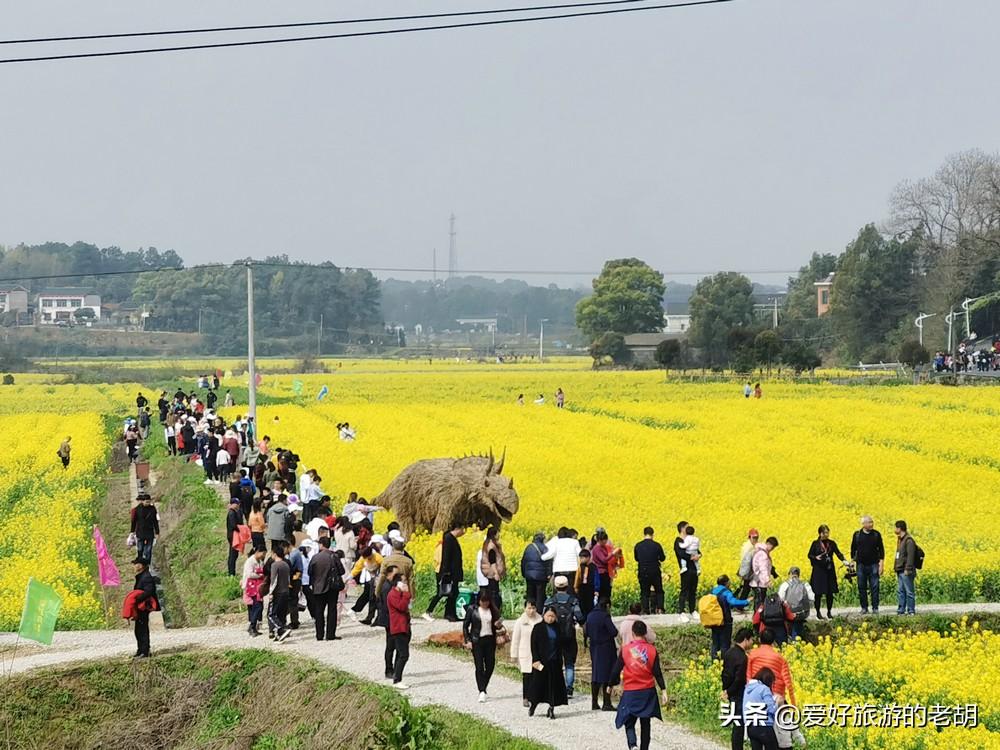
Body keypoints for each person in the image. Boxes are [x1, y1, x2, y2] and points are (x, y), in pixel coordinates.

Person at [612, 621, 667, 750]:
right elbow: (657, 673)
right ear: (645, 633)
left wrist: (610, 684)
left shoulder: (625, 650)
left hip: (631, 690)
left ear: (632, 633)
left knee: (628, 720)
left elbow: (616, 670)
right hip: (648, 690)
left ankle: (632, 744)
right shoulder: (652, 650)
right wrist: (664, 690)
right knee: (645, 722)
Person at [543, 575, 584, 699]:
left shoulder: (549, 601)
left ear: (555, 587)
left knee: (555, 662)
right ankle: (569, 689)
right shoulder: (573, 601)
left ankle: (556, 687)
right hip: (569, 636)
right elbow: (580, 617)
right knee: (570, 663)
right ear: (568, 586)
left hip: (553, 636)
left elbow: (543, 616)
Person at [463, 591, 505, 703]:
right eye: (483, 601)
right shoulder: (472, 609)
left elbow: (499, 622)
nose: (485, 604)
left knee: (490, 665)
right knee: (479, 666)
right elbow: (465, 625)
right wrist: (468, 640)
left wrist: (498, 624)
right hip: (477, 641)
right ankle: (482, 690)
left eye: (487, 601)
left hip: (490, 640)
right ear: (479, 600)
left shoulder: (493, 610)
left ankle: (484, 684)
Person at [527, 606, 569, 719]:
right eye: (548, 616)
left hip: (554, 661)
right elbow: (533, 645)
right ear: (544, 616)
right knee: (538, 684)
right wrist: (535, 659)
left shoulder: (558, 628)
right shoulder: (538, 628)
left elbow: (562, 644)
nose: (550, 618)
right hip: (541, 662)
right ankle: (533, 704)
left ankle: (551, 708)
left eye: (552, 616)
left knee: (553, 686)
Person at [721, 627, 754, 750]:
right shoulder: (742, 657)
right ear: (745, 640)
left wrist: (725, 690)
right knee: (739, 724)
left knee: (737, 722)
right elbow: (739, 679)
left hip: (730, 691)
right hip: (738, 693)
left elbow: (725, 673)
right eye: (751, 640)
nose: (752, 643)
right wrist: (730, 692)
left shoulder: (729, 652)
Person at [746, 629, 795, 706]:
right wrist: (793, 704)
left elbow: (748, 677)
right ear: (773, 641)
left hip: (756, 695)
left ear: (759, 640)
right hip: (776, 695)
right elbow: (788, 683)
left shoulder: (752, 655)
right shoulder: (780, 659)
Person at [585, 597, 618, 711]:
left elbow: (586, 631)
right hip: (606, 648)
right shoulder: (605, 616)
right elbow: (613, 632)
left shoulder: (590, 615)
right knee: (608, 675)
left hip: (594, 647)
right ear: (607, 606)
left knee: (596, 674)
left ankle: (594, 702)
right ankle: (606, 702)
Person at [808, 525, 846, 619]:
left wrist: (844, 561)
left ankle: (829, 612)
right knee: (818, 593)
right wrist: (815, 558)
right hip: (819, 571)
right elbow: (809, 555)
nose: (827, 534)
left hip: (829, 570)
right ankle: (818, 612)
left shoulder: (832, 543)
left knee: (830, 593)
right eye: (825, 532)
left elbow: (838, 553)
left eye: (828, 532)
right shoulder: (815, 544)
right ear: (820, 533)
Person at [707, 575, 749, 659]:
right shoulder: (726, 592)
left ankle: (714, 661)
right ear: (726, 583)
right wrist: (746, 601)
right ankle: (724, 661)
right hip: (724, 621)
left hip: (714, 621)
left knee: (715, 643)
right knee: (724, 644)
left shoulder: (712, 591)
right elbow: (733, 602)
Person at [510, 600, 543, 706]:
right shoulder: (520, 622)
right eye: (529, 608)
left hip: (538, 653)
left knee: (536, 675)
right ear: (525, 608)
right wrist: (513, 655)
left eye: (533, 608)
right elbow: (515, 639)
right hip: (525, 652)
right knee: (527, 676)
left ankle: (535, 696)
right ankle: (526, 697)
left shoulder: (540, 620)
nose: (531, 611)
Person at [851, 515, 885, 615]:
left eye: (872, 522)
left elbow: (881, 550)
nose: (871, 524)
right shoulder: (857, 535)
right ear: (863, 524)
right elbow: (853, 549)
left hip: (874, 564)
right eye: (869, 522)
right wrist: (852, 561)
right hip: (861, 565)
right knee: (861, 586)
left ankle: (875, 608)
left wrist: (881, 564)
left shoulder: (876, 535)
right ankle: (864, 607)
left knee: (875, 587)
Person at [743, 667, 779, 750]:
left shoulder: (747, 689)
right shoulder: (764, 689)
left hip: (751, 727)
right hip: (764, 727)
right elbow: (771, 709)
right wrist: (777, 702)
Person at [387, 574, 412, 688]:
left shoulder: (400, 594)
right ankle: (397, 680)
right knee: (404, 655)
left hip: (404, 627)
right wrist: (406, 593)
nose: (406, 584)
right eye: (403, 582)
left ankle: (397, 677)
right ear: (397, 583)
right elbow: (401, 606)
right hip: (398, 628)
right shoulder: (392, 595)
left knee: (400, 654)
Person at [129, 556, 157, 658]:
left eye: (136, 564)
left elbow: (149, 591)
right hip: (140, 607)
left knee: (142, 629)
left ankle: (144, 651)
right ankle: (140, 650)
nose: (134, 566)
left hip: (143, 607)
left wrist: (137, 599)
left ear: (141, 566)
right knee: (138, 630)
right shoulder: (141, 576)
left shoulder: (146, 577)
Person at [634, 527, 666, 615]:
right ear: (653, 534)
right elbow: (663, 558)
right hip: (655, 571)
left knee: (644, 592)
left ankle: (645, 610)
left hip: (643, 571)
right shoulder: (657, 545)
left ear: (644, 534)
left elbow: (636, 558)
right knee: (659, 591)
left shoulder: (638, 545)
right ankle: (660, 609)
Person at [542, 528, 582, 595]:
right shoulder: (575, 542)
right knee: (571, 592)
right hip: (572, 570)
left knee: (558, 592)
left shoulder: (557, 542)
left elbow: (549, 555)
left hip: (559, 570)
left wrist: (541, 557)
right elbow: (580, 554)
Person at [437, 526, 465, 622]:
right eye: (463, 529)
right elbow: (446, 556)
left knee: (454, 593)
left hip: (454, 572)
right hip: (451, 572)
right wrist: (446, 572)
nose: (463, 532)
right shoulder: (449, 538)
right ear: (457, 529)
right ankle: (449, 614)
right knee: (452, 593)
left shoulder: (452, 538)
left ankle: (451, 613)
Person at [777, 567, 813, 641]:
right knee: (798, 624)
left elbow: (780, 599)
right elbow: (812, 598)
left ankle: (789, 639)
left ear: (789, 574)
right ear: (798, 574)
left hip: (788, 613)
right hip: (802, 613)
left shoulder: (785, 584)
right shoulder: (805, 584)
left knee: (789, 623)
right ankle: (797, 640)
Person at [350, 545, 384, 625]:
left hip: (379, 579)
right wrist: (349, 577)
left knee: (378, 599)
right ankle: (370, 617)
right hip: (371, 580)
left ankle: (378, 618)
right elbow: (357, 568)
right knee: (371, 598)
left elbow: (384, 567)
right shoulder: (363, 558)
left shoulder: (378, 557)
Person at [675, 521, 700, 621]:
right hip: (685, 570)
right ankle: (681, 612)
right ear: (682, 529)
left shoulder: (692, 540)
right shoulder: (678, 541)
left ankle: (692, 610)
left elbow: (698, 551)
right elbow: (681, 553)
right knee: (684, 591)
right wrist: (692, 557)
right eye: (687, 527)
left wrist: (698, 556)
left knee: (693, 591)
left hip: (694, 569)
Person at [521, 533, 550, 613]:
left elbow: (523, 561)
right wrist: (549, 574)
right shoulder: (544, 548)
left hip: (529, 576)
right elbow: (548, 562)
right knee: (540, 596)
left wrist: (524, 573)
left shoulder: (528, 547)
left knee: (530, 595)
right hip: (541, 576)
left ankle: (529, 611)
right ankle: (539, 613)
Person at [268, 545, 292, 643]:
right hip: (286, 591)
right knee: (281, 614)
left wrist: (271, 593)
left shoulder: (275, 565)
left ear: (275, 554)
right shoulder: (286, 564)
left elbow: (274, 581)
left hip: (278, 592)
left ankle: (281, 629)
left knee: (271, 614)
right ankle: (279, 635)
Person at [893, 520, 918, 615]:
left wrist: (908, 569)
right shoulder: (900, 539)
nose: (894, 530)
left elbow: (910, 556)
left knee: (909, 591)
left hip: (906, 570)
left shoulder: (909, 540)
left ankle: (911, 610)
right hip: (900, 570)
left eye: (895, 528)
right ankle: (901, 610)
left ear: (899, 528)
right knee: (900, 591)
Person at [479, 525, 506, 611]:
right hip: (492, 573)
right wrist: (496, 573)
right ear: (494, 534)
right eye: (498, 533)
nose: (499, 535)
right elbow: (492, 561)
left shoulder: (488, 543)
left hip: (490, 572)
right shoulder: (491, 546)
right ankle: (495, 610)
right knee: (494, 593)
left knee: (492, 591)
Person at [241, 547, 266, 637]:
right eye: (262, 554)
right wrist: (259, 576)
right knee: (257, 606)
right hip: (251, 587)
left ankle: (253, 626)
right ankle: (252, 626)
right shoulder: (250, 561)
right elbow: (249, 574)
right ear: (257, 552)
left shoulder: (259, 561)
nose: (263, 556)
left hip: (257, 587)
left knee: (257, 606)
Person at [750, 537, 779, 610]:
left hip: (757, 582)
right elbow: (763, 569)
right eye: (773, 547)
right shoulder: (763, 554)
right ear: (768, 544)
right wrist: (767, 581)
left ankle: (757, 619)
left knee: (758, 604)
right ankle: (758, 619)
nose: (772, 549)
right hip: (760, 583)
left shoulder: (760, 551)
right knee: (760, 604)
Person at [131, 493, 159, 565]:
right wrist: (132, 531)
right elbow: (134, 521)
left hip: (149, 531)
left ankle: (147, 563)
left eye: (149, 502)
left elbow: (155, 521)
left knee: (148, 549)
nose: (148, 503)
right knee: (140, 548)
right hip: (140, 531)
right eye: (146, 502)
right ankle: (140, 561)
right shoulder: (137, 509)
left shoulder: (152, 509)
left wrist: (157, 532)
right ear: (142, 501)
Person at [575, 549, 598, 626]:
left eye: (583, 558)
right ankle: (583, 622)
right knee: (582, 605)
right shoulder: (580, 567)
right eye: (580, 558)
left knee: (590, 605)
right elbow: (577, 578)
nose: (581, 559)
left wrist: (596, 589)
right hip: (582, 588)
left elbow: (596, 579)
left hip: (590, 588)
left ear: (588, 557)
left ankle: (590, 621)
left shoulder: (593, 567)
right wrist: (576, 587)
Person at [737, 529, 760, 601]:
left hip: (752, 570)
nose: (755, 539)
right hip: (748, 571)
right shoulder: (747, 547)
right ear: (749, 537)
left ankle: (739, 606)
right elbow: (745, 561)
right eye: (754, 538)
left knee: (746, 588)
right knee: (754, 588)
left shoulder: (754, 545)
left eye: (757, 537)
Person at [225, 499, 243, 576]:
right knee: (233, 554)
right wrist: (241, 529)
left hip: (233, 535)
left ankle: (232, 571)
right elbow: (233, 525)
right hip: (233, 536)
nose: (238, 505)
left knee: (234, 554)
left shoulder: (234, 512)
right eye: (237, 504)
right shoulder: (231, 513)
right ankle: (231, 572)